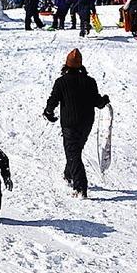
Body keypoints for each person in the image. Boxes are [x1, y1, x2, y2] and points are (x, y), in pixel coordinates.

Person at [43, 49, 110, 198]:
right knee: (75, 151)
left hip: (70, 123)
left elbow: (53, 99)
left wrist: (48, 112)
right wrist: (104, 99)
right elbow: (97, 102)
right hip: (86, 123)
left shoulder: (61, 82)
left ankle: (80, 187)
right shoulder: (90, 81)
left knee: (73, 153)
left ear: (66, 64)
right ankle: (69, 174)